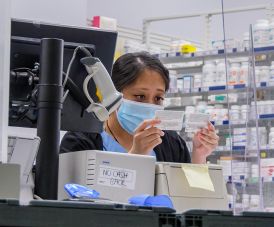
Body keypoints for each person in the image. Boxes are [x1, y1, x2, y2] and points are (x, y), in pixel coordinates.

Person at [60, 52, 219, 163]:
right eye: (140, 96)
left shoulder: (170, 142)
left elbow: (187, 198)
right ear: (112, 93)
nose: (150, 105)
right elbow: (74, 201)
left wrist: (199, 156)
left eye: (158, 98)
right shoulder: (81, 140)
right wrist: (136, 156)